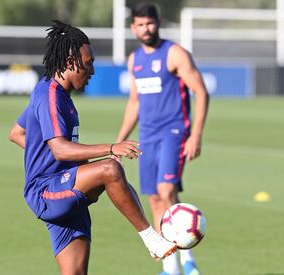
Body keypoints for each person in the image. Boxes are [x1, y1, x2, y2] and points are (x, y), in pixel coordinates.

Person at [8, 20, 177, 275]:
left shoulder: (52, 92)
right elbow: (61, 150)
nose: (93, 71)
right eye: (88, 63)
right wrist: (111, 148)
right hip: (46, 191)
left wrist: (55, 162)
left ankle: (152, 239)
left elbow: (17, 133)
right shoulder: (50, 96)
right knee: (110, 168)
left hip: (64, 187)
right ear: (69, 62)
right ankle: (152, 239)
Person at [117, 3, 209, 275]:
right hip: (147, 137)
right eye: (141, 24)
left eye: (150, 23)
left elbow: (201, 92)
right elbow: (134, 102)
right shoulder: (135, 60)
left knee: (167, 191)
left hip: (174, 132)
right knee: (156, 200)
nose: (146, 28)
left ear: (158, 23)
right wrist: (119, 141)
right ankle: (173, 268)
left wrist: (196, 135)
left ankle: (189, 259)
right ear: (134, 27)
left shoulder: (175, 53)